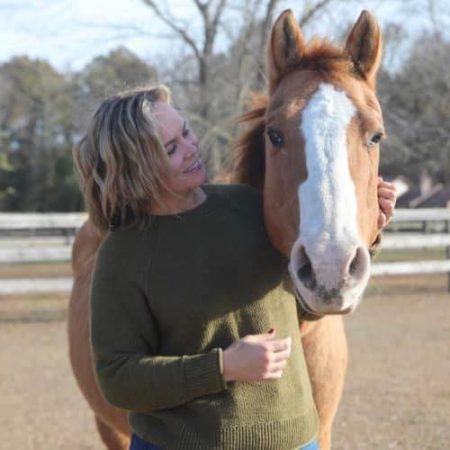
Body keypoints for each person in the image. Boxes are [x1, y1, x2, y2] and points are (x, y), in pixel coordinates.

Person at [72, 85, 396, 450]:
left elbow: (303, 304)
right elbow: (118, 379)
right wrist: (222, 367)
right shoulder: (122, 252)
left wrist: (369, 236)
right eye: (171, 148)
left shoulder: (249, 208)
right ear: (137, 167)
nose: (192, 148)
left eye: (186, 132)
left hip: (295, 442)